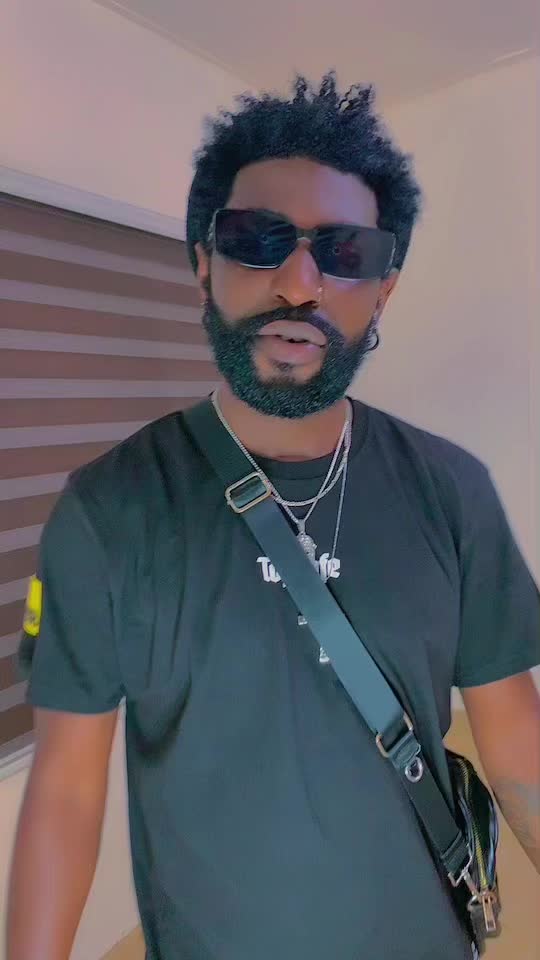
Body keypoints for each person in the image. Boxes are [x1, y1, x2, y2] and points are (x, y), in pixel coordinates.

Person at [7, 74, 540, 960]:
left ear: (384, 291)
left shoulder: (453, 491)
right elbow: (64, 788)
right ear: (203, 265)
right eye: (259, 240)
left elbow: (515, 733)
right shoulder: (108, 510)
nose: (299, 284)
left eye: (346, 252)